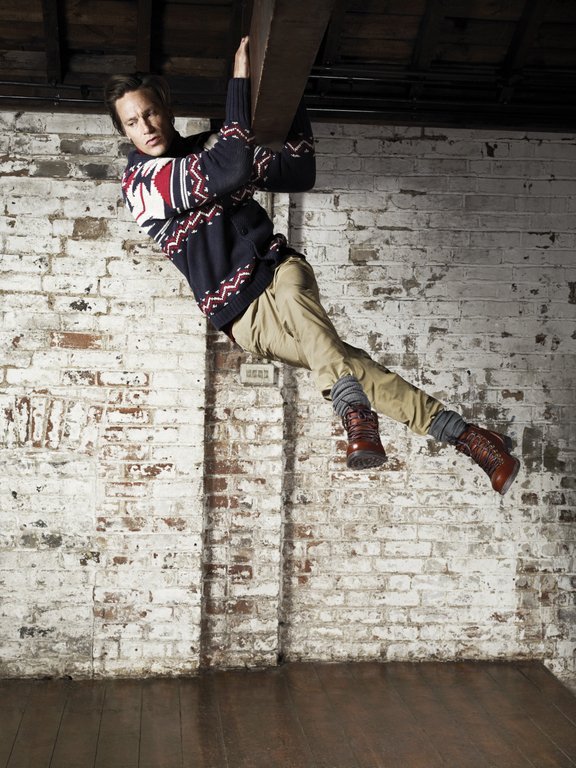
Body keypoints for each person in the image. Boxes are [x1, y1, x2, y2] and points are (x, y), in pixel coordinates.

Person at [104, 37, 520, 495]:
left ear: (166, 110)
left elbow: (297, 170)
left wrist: (291, 88)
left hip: (279, 271)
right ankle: (469, 436)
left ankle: (356, 417)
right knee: (346, 365)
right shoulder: (142, 183)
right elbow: (229, 169)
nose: (146, 127)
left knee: (325, 349)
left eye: (150, 113)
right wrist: (238, 81)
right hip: (245, 319)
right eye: (132, 122)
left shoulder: (210, 147)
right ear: (124, 132)